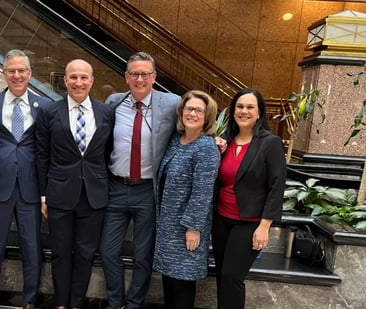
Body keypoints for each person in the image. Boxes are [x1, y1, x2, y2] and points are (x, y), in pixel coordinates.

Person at [100, 51, 180, 309]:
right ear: (126, 77)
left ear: (154, 77)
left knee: (143, 254)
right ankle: (115, 302)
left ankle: (134, 304)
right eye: (134, 74)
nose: (139, 79)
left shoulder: (171, 103)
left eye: (145, 74)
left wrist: (214, 137)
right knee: (108, 250)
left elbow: (197, 116)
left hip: (148, 190)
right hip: (115, 187)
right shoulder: (113, 102)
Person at [35, 59, 115, 309]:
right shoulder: (49, 111)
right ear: (65, 80)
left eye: (83, 77)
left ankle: (76, 303)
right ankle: (61, 304)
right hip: (59, 194)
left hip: (93, 195)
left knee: (85, 253)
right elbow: (41, 155)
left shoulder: (105, 113)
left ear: (92, 80)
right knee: (60, 252)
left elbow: (107, 152)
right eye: (73, 77)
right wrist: (43, 195)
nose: (78, 82)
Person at [0, 49, 51, 309]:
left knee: (32, 247)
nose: (17, 75)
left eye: (22, 70)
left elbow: (49, 149)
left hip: (31, 189)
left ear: (30, 74)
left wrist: (47, 193)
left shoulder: (45, 107)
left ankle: (30, 299)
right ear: (3, 73)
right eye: (12, 70)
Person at [211, 88, 286, 309]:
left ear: (259, 112)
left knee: (232, 276)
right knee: (222, 277)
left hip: (249, 222)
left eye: (250, 107)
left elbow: (277, 186)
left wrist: (264, 227)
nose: (244, 111)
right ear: (233, 110)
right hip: (221, 219)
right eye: (240, 106)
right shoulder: (224, 141)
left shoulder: (270, 143)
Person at [153, 90, 220, 309]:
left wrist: (193, 227)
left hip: (186, 228)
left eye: (198, 110)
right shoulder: (176, 140)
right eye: (188, 109)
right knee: (169, 280)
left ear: (207, 116)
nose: (192, 114)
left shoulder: (207, 147)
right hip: (167, 226)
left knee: (183, 282)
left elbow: (203, 192)